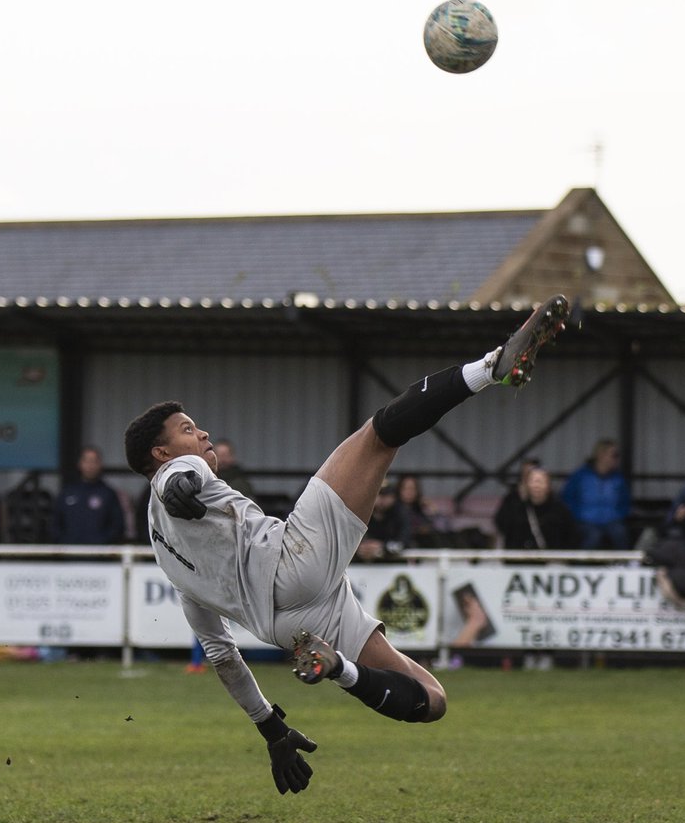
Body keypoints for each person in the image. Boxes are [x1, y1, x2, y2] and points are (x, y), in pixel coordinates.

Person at [123, 294, 569, 796]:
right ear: (161, 454)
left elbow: (222, 655)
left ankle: (340, 669)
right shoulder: (183, 474)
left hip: (290, 627)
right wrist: (173, 483)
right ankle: (491, 368)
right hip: (295, 561)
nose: (201, 432)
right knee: (380, 433)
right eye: (187, 429)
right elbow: (178, 476)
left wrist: (270, 728)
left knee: (432, 698)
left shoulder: (169, 561)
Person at [561, 438, 632, 550]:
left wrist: (619, 515)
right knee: (593, 537)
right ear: (601, 455)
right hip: (585, 520)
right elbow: (568, 498)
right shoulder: (581, 476)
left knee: (620, 533)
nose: (617, 459)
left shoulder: (618, 479)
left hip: (611, 520)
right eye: (614, 455)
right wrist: (577, 515)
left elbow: (625, 501)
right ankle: (582, 565)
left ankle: (624, 565)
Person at [51, 445, 126, 545]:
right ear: (80, 463)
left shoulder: (108, 494)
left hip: (99, 556)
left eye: (94, 461)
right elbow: (55, 524)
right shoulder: (67, 493)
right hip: (69, 555)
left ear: (100, 464)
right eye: (87, 461)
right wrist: (65, 543)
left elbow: (117, 526)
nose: (90, 465)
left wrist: (102, 543)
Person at [494, 465, 580, 550]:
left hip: (549, 560)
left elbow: (571, 536)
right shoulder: (516, 507)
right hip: (519, 560)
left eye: (541, 481)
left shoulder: (560, 510)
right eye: (533, 481)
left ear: (548, 485)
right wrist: (516, 497)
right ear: (526, 484)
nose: (537, 485)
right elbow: (501, 524)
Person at [354, 479, 410, 561]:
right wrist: (361, 547)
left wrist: (383, 547)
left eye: (386, 495)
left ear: (393, 497)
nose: (381, 500)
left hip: (392, 564)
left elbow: (404, 541)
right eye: (377, 495)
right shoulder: (361, 512)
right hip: (363, 565)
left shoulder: (400, 514)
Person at [393, 473, 442, 548]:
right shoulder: (393, 510)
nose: (409, 492)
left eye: (412, 489)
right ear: (399, 490)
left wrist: (433, 513)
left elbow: (437, 527)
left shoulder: (419, 510)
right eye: (405, 488)